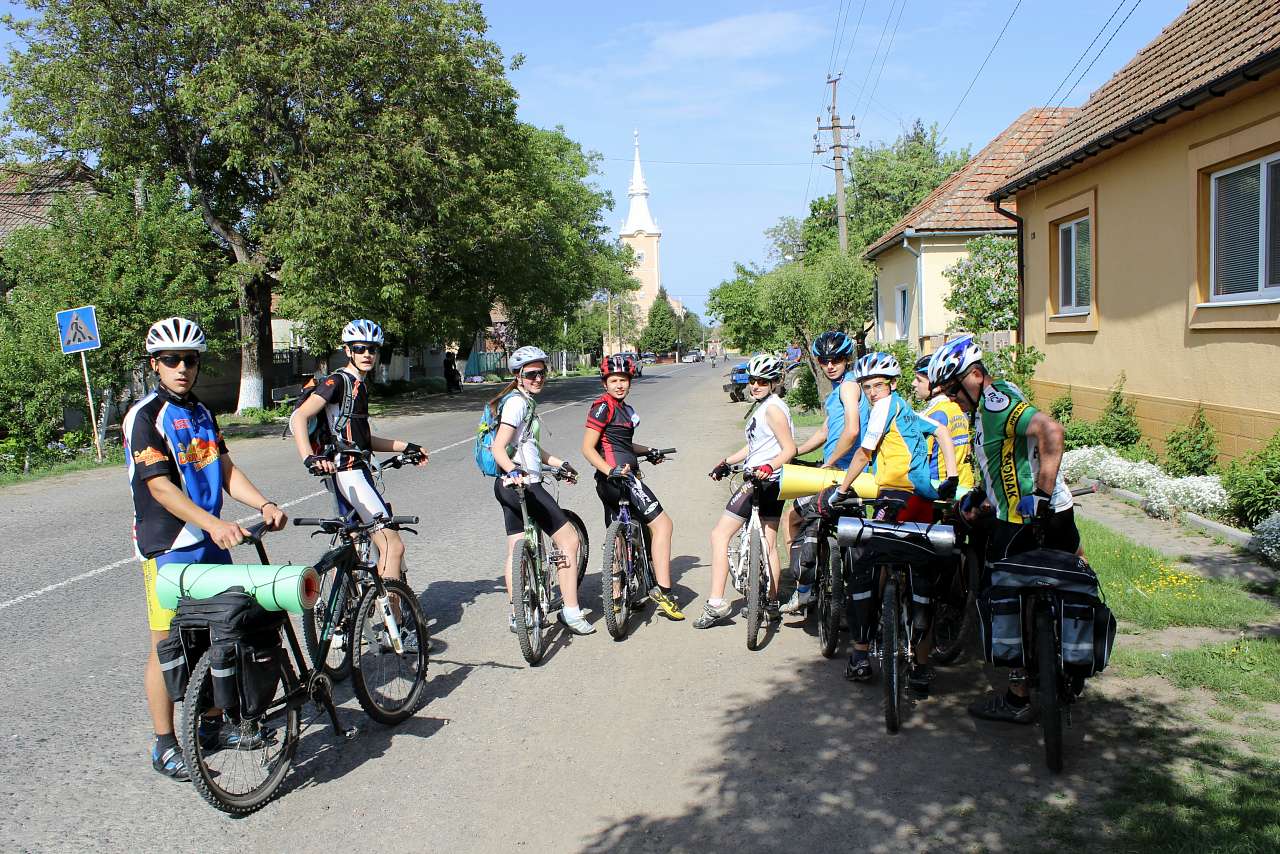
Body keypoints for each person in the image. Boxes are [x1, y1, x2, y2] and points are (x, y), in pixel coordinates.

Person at [124, 317, 289, 782]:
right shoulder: (145, 416)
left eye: (190, 360)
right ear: (155, 364)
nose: (181, 368)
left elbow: (226, 468)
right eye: (171, 360)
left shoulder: (200, 411)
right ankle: (164, 744)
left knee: (219, 635)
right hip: (168, 549)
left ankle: (214, 725)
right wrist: (215, 524)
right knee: (167, 647)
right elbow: (160, 489)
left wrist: (263, 502)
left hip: (211, 542)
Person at [927, 334, 1077, 724]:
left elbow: (1052, 432)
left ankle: (1018, 697)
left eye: (954, 390)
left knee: (1000, 602)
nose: (951, 399)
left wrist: (1040, 497)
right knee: (1071, 575)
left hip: (1023, 522)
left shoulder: (996, 404)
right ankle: (1067, 664)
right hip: (1054, 512)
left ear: (974, 376)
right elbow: (1007, 462)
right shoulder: (998, 398)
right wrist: (982, 496)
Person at [817, 351, 959, 692]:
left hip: (896, 499)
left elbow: (865, 452)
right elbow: (940, 431)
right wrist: (950, 476)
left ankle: (861, 656)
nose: (870, 392)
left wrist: (842, 489)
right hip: (924, 499)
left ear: (891, 384)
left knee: (866, 568)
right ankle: (921, 668)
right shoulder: (906, 409)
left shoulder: (884, 407)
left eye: (876, 385)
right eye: (865, 387)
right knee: (920, 575)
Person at [289, 319, 428, 594]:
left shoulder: (358, 385)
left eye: (372, 349)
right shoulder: (339, 381)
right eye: (360, 348)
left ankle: (347, 620)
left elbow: (363, 441)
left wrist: (406, 446)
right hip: (349, 473)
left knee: (356, 546)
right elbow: (299, 417)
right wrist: (309, 457)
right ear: (348, 350)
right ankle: (396, 627)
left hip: (351, 471)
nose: (367, 354)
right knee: (392, 545)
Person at [490, 345, 593, 635]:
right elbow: (498, 447)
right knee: (569, 540)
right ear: (518, 376)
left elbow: (528, 446)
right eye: (532, 374)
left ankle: (517, 613)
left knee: (516, 547)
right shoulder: (518, 404)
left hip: (505, 485)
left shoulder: (519, 401)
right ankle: (571, 612)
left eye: (542, 373)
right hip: (523, 485)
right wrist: (516, 472)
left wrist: (559, 463)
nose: (538, 378)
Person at [695, 353, 797, 629]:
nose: (755, 386)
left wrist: (767, 467)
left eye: (762, 381)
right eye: (753, 380)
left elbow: (789, 449)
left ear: (774, 382)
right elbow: (755, 448)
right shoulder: (764, 407)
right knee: (767, 542)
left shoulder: (773, 409)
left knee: (720, 535)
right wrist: (727, 462)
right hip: (770, 479)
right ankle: (772, 604)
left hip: (763, 480)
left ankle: (716, 603)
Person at [580, 354, 683, 621]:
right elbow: (588, 448)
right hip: (619, 480)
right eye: (613, 380)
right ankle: (664, 591)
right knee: (663, 525)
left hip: (616, 479)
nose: (619, 385)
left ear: (630, 381)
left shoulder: (623, 408)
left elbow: (621, 445)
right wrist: (610, 470)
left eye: (623, 380)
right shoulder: (603, 407)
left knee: (620, 538)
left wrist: (649, 451)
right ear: (605, 383)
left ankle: (618, 597)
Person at [779, 330, 861, 615]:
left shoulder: (849, 388)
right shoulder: (838, 391)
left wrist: (830, 461)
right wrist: (797, 451)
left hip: (843, 474)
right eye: (825, 360)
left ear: (847, 359)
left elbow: (852, 431)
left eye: (836, 359)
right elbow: (827, 430)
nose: (830, 365)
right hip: (844, 473)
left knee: (793, 516)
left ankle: (802, 590)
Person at [912, 354, 974, 493]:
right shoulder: (958, 407)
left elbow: (922, 461)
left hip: (940, 489)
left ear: (937, 386)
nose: (913, 384)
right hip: (964, 485)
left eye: (919, 380)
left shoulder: (934, 415)